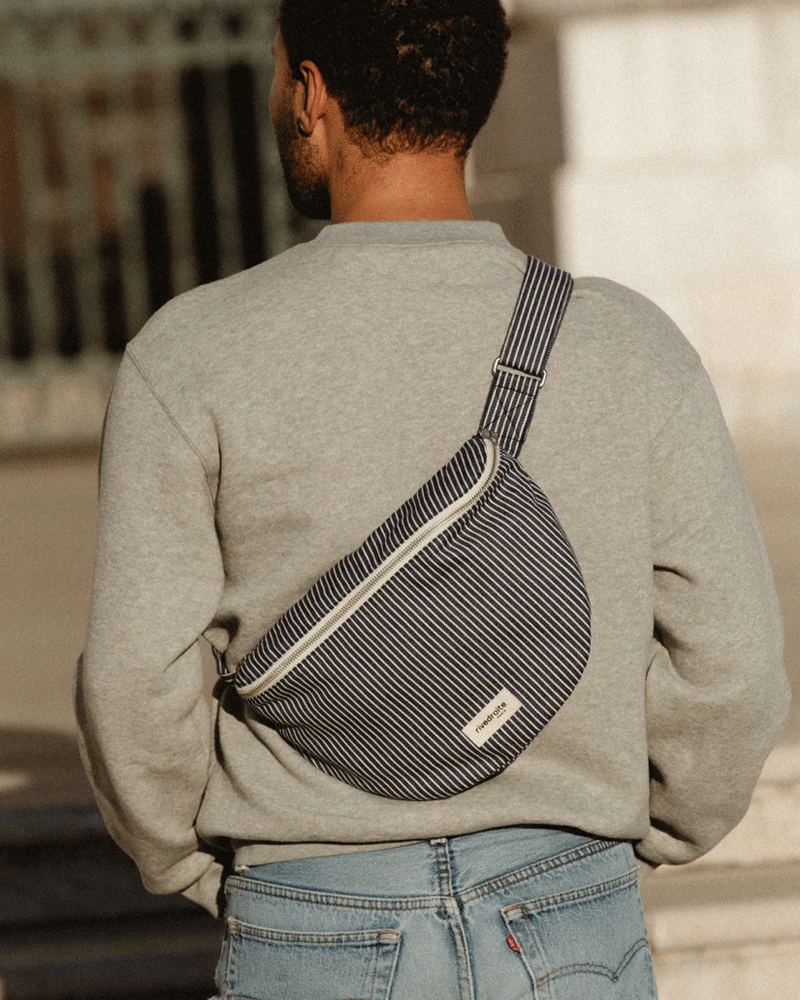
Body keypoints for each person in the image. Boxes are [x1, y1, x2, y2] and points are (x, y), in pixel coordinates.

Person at [76, 2, 790, 998]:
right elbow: (735, 668)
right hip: (567, 916)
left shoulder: (188, 358)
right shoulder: (630, 347)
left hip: (309, 918)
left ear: (311, 95)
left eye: (278, 71)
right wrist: (617, 841)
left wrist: (201, 865)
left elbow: (131, 687)